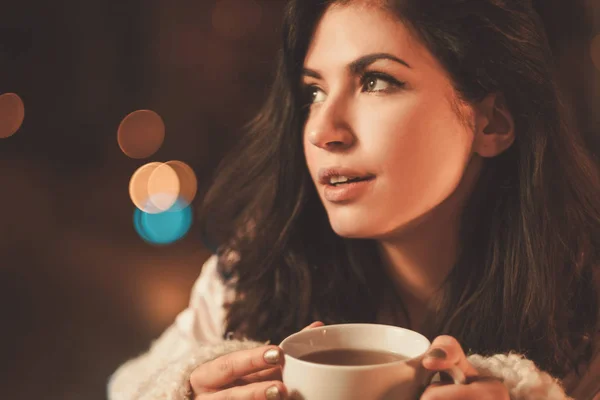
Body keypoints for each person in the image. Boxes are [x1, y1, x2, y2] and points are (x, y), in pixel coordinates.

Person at [108, 0, 600, 399]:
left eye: (376, 81)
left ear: (491, 123)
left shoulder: (584, 304)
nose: (323, 130)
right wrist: (182, 390)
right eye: (314, 93)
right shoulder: (256, 273)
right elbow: (125, 387)